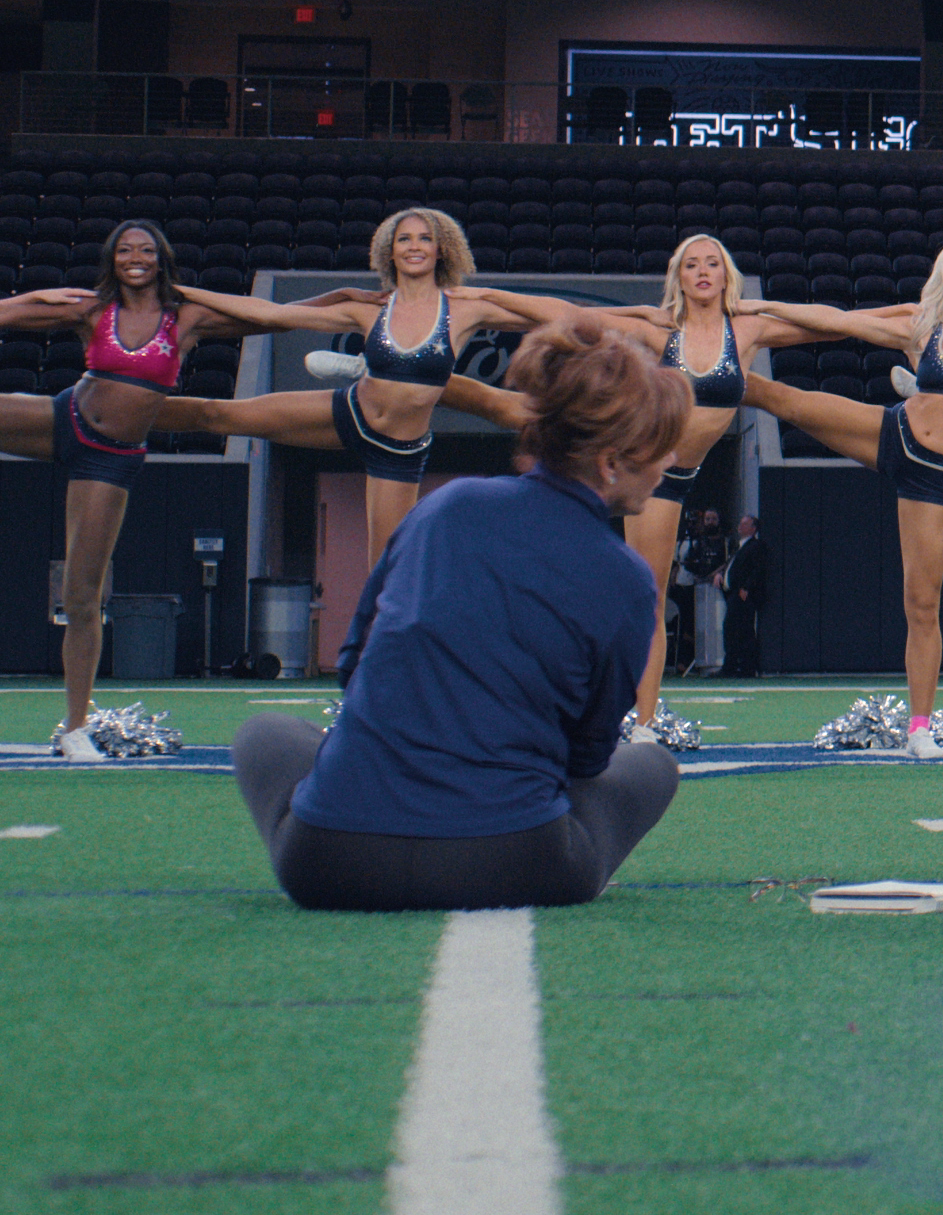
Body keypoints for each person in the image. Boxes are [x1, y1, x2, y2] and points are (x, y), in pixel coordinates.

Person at [228, 322, 685, 911]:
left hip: (328, 862)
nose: (671, 460)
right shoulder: (627, 578)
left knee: (264, 733)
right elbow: (588, 758)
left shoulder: (446, 505)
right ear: (611, 463)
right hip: (521, 861)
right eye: (660, 446)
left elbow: (353, 666)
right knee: (651, 762)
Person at [432, 236, 820, 724]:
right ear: (678, 277)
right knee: (517, 410)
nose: (702, 271)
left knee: (644, 597)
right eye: (691, 264)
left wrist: (914, 316)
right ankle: (415, 380)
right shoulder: (664, 331)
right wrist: (485, 298)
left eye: (713, 263)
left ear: (727, 275)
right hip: (639, 464)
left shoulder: (747, 330)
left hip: (672, 474)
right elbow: (565, 312)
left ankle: (641, 721)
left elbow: (829, 324)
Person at [738, 237, 943, 757]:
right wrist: (753, 309)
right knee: (785, 399)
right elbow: (837, 320)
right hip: (893, 435)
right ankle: (690, 377)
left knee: (922, 604)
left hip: (937, 476)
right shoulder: (921, 325)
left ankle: (919, 730)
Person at [0, 227, 310, 758]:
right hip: (62, 416)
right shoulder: (93, 311)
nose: (134, 259)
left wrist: (197, 294)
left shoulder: (183, 318)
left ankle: (76, 727)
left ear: (162, 260)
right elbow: (11, 314)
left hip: (108, 456)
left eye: (145, 251)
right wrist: (32, 298)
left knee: (81, 595)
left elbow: (271, 317)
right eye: (124, 251)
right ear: (111, 260)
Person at [163, 208, 542, 562]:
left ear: (441, 250)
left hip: (398, 449)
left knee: (386, 571)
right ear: (388, 252)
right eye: (404, 239)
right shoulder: (370, 308)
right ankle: (124, 409)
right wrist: (182, 292)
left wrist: (492, 294)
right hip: (351, 412)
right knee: (214, 414)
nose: (413, 247)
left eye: (424, 239)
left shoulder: (465, 308)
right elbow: (272, 313)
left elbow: (563, 314)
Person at [720, 511, 770, 679]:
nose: (739, 527)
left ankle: (746, 668)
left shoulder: (756, 547)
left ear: (753, 528)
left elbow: (758, 570)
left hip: (743, 595)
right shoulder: (739, 546)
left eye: (744, 524)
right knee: (732, 629)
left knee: (743, 630)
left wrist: (746, 587)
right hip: (733, 593)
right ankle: (732, 666)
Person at [680, 508, 729, 678]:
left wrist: (719, 572)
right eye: (707, 519)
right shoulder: (698, 542)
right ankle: (699, 661)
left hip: (717, 590)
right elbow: (688, 561)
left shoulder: (725, 541)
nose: (710, 522)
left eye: (713, 519)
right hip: (701, 589)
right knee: (697, 623)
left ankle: (719, 661)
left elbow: (729, 560)